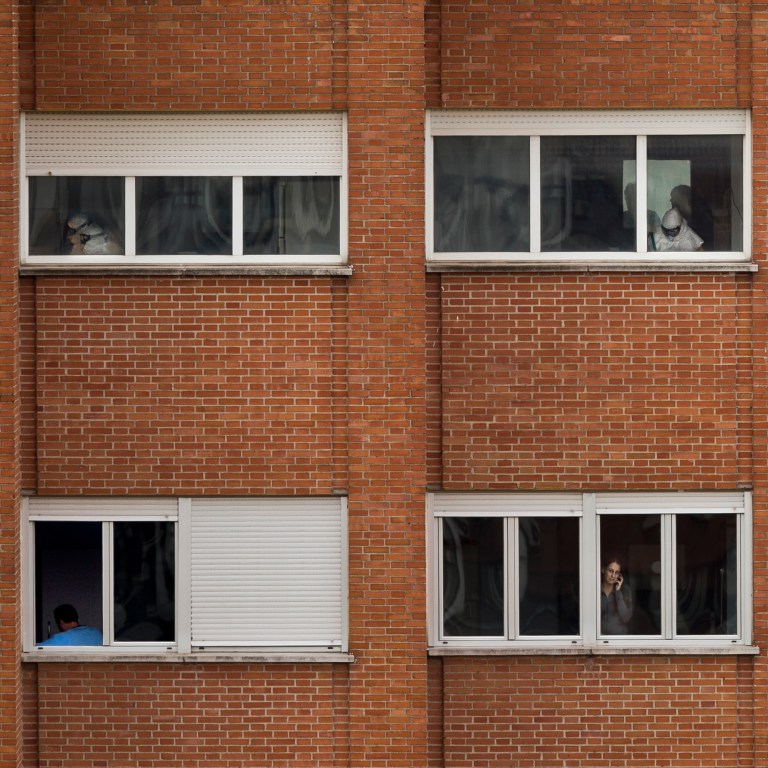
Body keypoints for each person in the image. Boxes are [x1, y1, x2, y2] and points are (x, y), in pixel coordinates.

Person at [37, 603, 103, 647]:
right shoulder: (97, 632)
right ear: (78, 619)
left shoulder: (63, 637)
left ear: (61, 622)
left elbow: (37, 648)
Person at [601, 557, 632, 635]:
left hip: (619, 639)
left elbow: (626, 618)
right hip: (600, 640)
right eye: (610, 571)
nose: (613, 575)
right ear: (603, 570)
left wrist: (618, 592)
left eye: (617, 572)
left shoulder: (625, 590)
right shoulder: (595, 590)